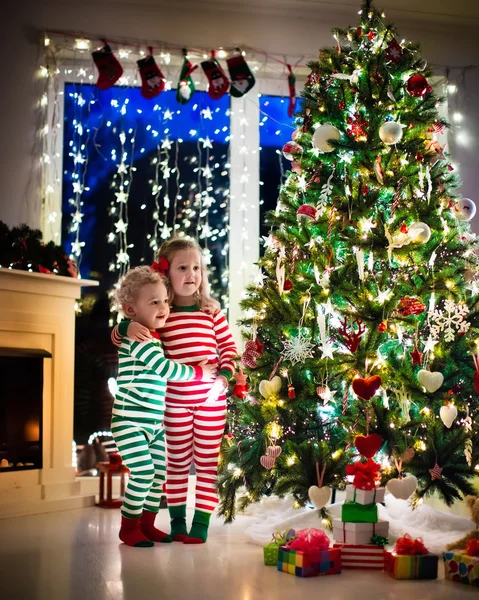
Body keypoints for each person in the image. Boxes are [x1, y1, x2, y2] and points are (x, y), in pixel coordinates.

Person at [112, 238, 237, 544]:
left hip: (211, 401)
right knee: (177, 463)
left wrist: (222, 378)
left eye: (197, 267)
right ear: (167, 274)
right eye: (183, 267)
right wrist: (123, 328)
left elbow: (229, 350)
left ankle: (201, 523)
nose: (191, 273)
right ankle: (177, 522)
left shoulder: (211, 313)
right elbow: (124, 337)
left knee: (207, 463)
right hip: (174, 403)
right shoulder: (161, 316)